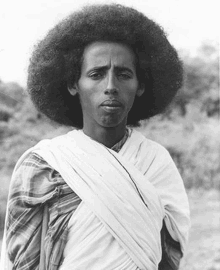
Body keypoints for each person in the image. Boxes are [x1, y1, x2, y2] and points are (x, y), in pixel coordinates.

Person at [0, 4, 190, 270]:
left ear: (141, 85)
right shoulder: (44, 167)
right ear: (72, 84)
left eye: (124, 74)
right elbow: (23, 262)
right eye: (96, 74)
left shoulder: (155, 164)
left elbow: (168, 258)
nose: (110, 87)